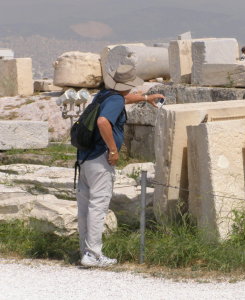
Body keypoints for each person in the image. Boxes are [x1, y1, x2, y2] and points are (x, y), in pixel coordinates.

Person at [77, 49, 164, 267]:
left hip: (85, 157)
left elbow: (122, 100)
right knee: (98, 205)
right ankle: (94, 254)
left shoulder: (105, 95)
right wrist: (113, 150)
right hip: (100, 158)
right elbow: (103, 121)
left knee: (85, 205)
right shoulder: (115, 100)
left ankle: (86, 252)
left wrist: (145, 98)